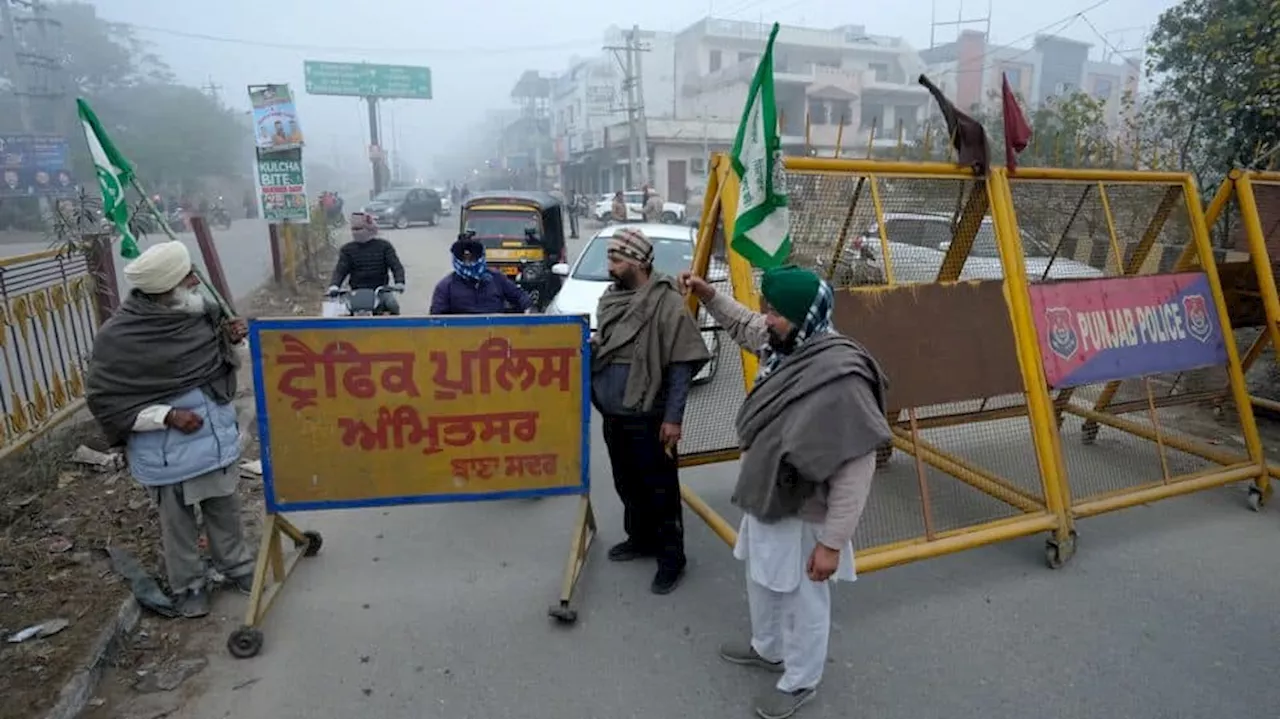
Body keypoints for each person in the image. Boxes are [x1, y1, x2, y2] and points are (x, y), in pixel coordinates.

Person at [679, 265, 888, 719]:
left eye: (775, 312)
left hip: (807, 513)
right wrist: (709, 295)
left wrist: (832, 544)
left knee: (803, 600)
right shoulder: (787, 345)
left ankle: (800, 681)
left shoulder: (841, 378)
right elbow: (742, 324)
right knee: (762, 579)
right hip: (767, 497)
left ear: (804, 314)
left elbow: (856, 470)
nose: (765, 318)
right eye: (767, 308)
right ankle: (767, 647)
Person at [84, 241, 256, 619]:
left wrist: (233, 339)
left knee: (224, 508)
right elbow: (106, 399)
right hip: (165, 451)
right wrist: (166, 416)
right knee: (176, 525)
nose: (196, 281)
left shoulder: (202, 314)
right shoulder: (119, 337)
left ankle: (238, 567)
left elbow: (226, 365)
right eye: (187, 277)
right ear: (165, 289)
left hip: (213, 439)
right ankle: (189, 585)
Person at [592, 227, 712, 594]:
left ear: (639, 262)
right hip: (614, 414)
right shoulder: (611, 298)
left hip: (651, 416)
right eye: (610, 257)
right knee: (626, 483)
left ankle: (671, 559)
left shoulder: (666, 302)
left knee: (660, 491)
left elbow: (680, 365)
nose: (609, 265)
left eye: (616, 259)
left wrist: (673, 418)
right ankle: (640, 539)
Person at [430, 236, 532, 314]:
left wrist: (528, 310)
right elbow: (436, 318)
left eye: (472, 258)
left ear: (480, 257)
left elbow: (520, 296)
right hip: (459, 337)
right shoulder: (446, 286)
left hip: (496, 336)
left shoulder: (497, 278)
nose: (468, 263)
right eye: (464, 259)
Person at [328, 212, 406, 315]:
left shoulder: (384, 246)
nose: (356, 232)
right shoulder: (347, 250)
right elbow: (340, 270)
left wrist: (399, 282)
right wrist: (334, 285)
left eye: (360, 229)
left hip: (380, 290)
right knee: (339, 312)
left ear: (370, 229)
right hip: (356, 292)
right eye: (354, 229)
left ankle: (396, 330)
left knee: (393, 305)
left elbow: (396, 266)